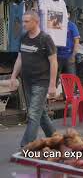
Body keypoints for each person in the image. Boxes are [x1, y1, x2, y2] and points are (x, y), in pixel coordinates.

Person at [10, 11, 58, 147]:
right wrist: (13, 76)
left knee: (33, 114)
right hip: (27, 81)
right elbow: (19, 58)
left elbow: (54, 62)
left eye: (26, 22)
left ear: (36, 22)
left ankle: (26, 145)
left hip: (41, 81)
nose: (24, 24)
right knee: (40, 113)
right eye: (23, 21)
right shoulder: (24, 38)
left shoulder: (45, 39)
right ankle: (56, 139)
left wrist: (52, 85)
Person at [56, 8, 80, 99]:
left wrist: (73, 55)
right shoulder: (56, 24)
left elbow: (76, 41)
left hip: (69, 56)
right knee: (55, 78)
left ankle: (69, 98)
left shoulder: (72, 25)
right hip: (57, 56)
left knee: (70, 78)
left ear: (69, 15)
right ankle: (53, 97)